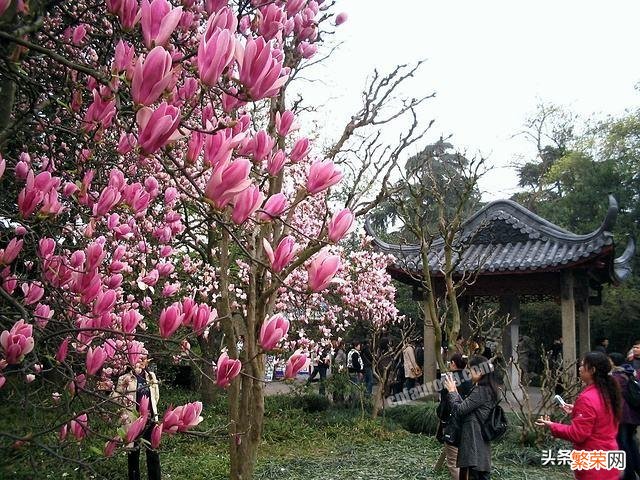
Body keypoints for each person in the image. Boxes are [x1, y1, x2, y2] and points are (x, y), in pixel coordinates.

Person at [536, 351, 622, 480]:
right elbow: (600, 418)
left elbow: (578, 434)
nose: (580, 368)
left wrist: (552, 426)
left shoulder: (587, 398)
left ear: (592, 370)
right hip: (609, 456)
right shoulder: (608, 392)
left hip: (593, 463)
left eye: (583, 365)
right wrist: (577, 410)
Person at [443, 354, 497, 480]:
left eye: (470, 369)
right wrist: (455, 393)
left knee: (472, 475)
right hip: (477, 443)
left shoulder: (481, 391)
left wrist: (452, 392)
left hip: (474, 443)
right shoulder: (485, 389)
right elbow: (466, 407)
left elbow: (460, 410)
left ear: (480, 371)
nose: (468, 372)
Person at [114, 356, 161, 480]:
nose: (141, 362)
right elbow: (118, 399)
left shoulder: (151, 376)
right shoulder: (124, 378)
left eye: (143, 359)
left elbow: (155, 397)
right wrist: (108, 391)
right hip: (133, 421)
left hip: (150, 420)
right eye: (138, 359)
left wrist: (150, 411)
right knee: (133, 453)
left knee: (153, 452)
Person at [437, 353, 472, 480]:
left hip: (453, 421)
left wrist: (441, 416)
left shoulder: (449, 379)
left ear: (453, 363)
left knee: (453, 462)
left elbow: (444, 403)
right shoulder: (470, 379)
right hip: (468, 422)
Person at [610, 352, 640, 480]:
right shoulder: (629, 372)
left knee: (622, 445)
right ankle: (635, 470)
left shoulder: (616, 377)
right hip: (632, 415)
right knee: (630, 443)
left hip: (622, 416)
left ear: (613, 362)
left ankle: (628, 475)